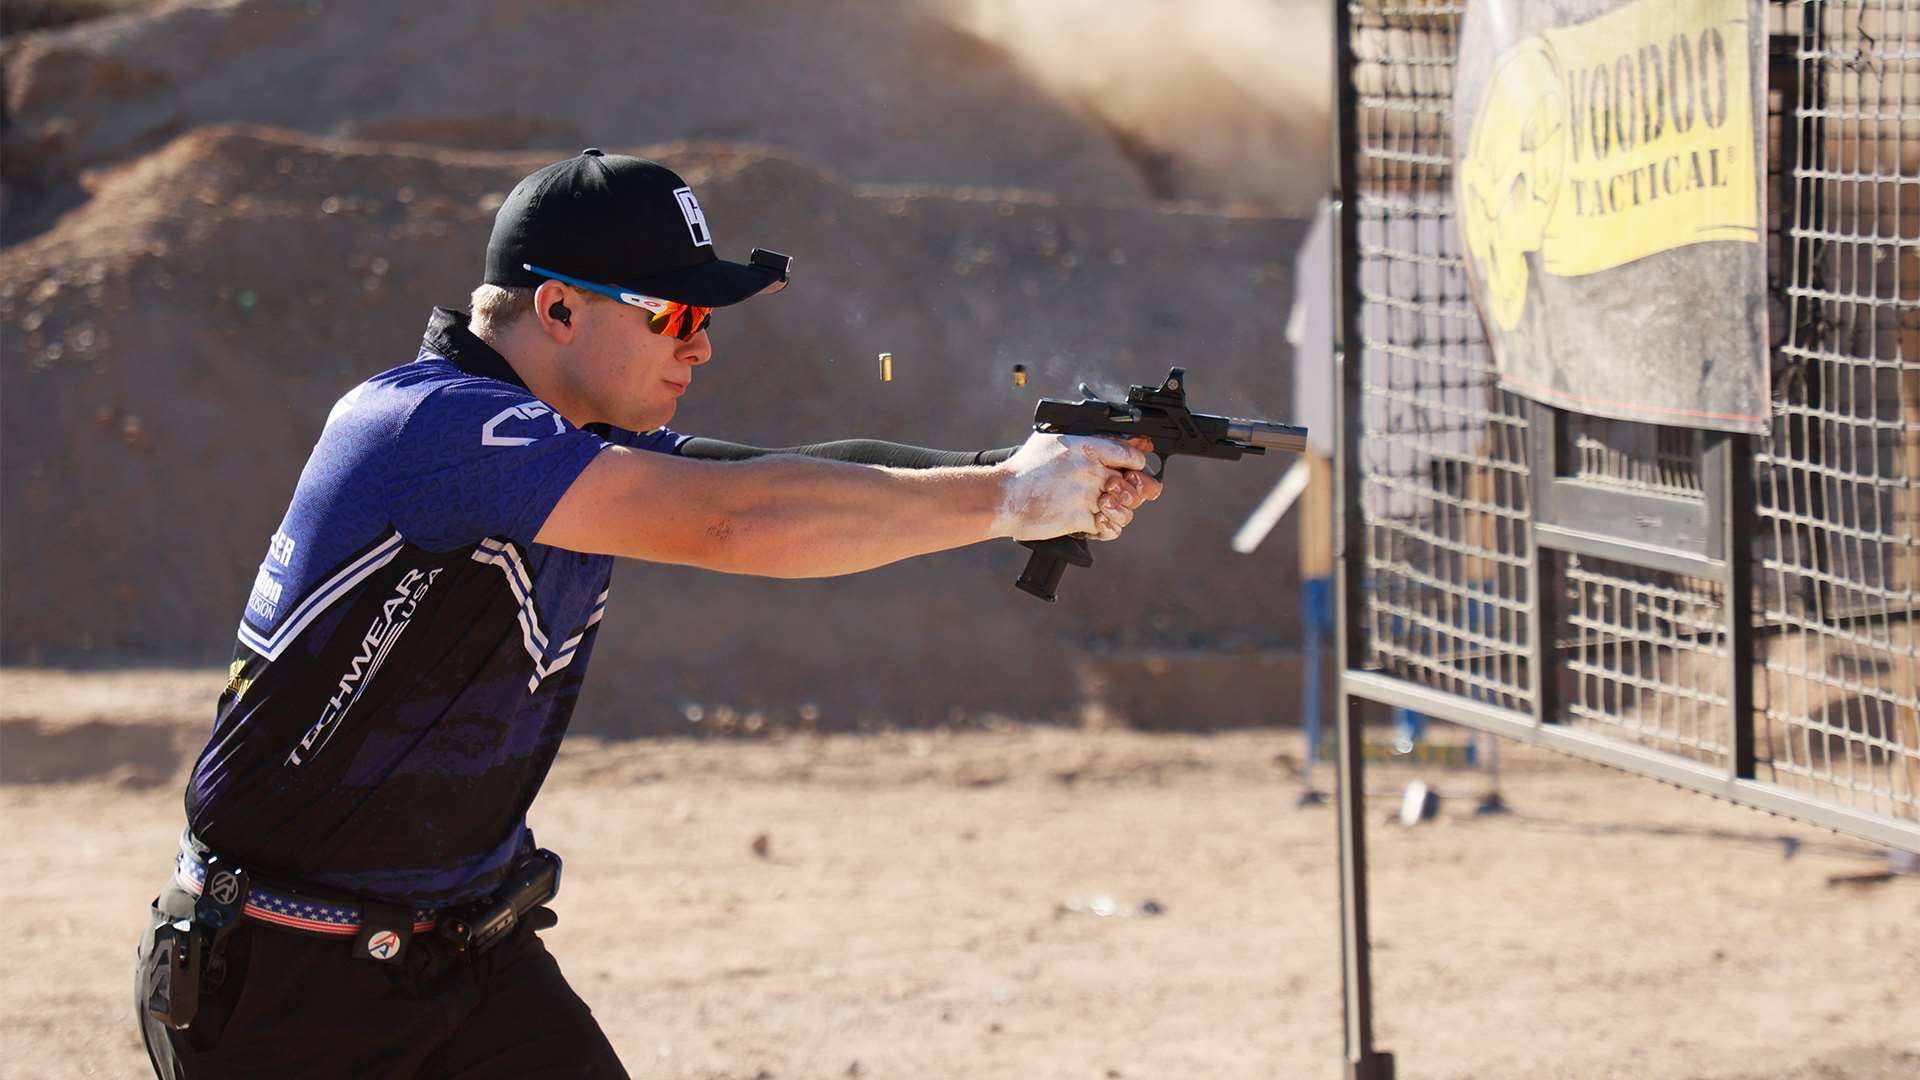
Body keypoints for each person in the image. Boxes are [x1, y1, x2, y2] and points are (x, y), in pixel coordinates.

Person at [133, 148, 1160, 1078]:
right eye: (671, 315)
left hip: (460, 953)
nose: (700, 347)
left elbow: (783, 484)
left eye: (703, 319)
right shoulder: (429, 424)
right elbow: (733, 522)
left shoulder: (566, 446)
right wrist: (1010, 499)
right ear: (561, 311)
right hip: (287, 983)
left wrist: (1020, 480)